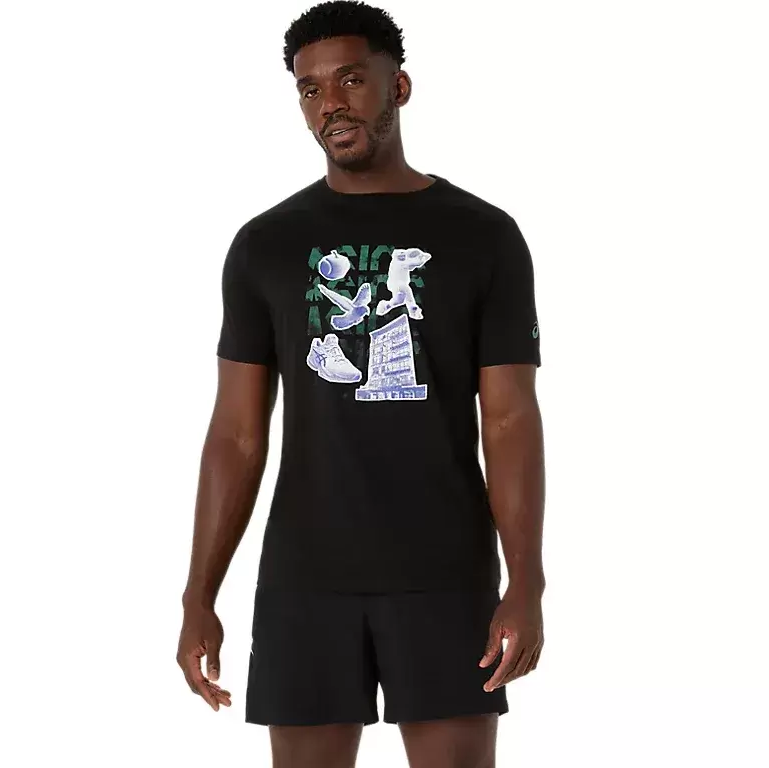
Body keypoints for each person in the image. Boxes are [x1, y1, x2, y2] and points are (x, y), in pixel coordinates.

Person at [177, 2, 546, 766]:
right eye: (310, 89)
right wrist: (198, 594)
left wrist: (526, 582)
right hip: (305, 577)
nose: (330, 104)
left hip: (444, 574)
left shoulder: (484, 236)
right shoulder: (265, 246)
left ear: (398, 86)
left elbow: (509, 420)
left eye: (350, 80)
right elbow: (237, 434)